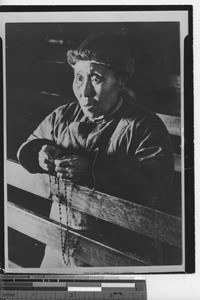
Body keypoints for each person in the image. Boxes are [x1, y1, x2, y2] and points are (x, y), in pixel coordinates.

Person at [17, 32, 174, 268]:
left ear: (121, 81)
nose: (85, 92)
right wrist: (40, 154)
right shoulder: (63, 115)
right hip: (61, 244)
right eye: (79, 78)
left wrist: (93, 171)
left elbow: (156, 187)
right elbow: (28, 148)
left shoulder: (143, 126)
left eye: (97, 79)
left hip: (118, 254)